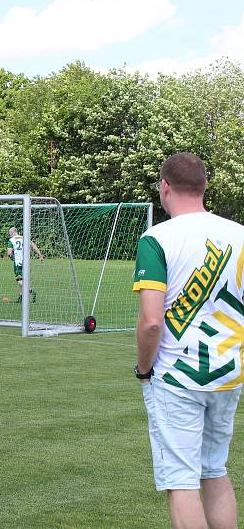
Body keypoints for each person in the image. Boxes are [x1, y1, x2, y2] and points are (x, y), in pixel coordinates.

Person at [133, 152, 244, 528]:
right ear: (204, 186)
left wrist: (143, 369)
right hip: (228, 372)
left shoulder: (157, 238)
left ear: (164, 186)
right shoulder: (240, 234)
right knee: (214, 470)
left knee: (181, 480)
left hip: (178, 376)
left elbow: (151, 322)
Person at [6, 227, 44, 303]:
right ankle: (20, 299)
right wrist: (40, 256)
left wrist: (11, 257)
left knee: (19, 280)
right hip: (27, 263)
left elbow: (9, 253)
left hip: (18, 263)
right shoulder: (25, 238)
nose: (9, 235)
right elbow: (33, 246)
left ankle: (30, 291)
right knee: (23, 280)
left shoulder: (11, 240)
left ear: (12, 233)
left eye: (9, 234)